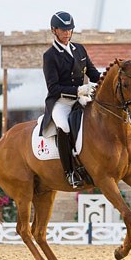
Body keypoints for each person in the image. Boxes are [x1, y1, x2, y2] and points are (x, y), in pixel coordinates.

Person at [40, 11, 101, 188]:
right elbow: (53, 87)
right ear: (54, 30)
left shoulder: (79, 49)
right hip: (61, 102)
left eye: (70, 29)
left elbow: (93, 73)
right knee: (64, 127)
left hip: (81, 99)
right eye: (63, 29)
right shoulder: (50, 56)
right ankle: (70, 172)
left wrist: (109, 79)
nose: (67, 32)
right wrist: (78, 89)